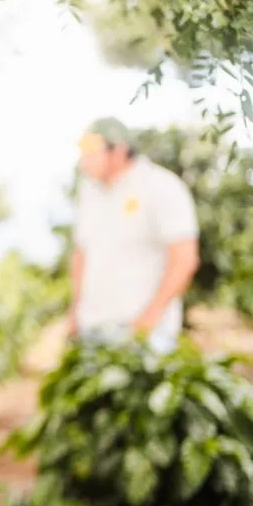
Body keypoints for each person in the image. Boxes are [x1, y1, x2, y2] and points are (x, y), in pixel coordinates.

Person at [68, 117, 200, 353]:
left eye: (91, 151)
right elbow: (81, 254)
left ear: (118, 150)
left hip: (147, 335)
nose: (83, 161)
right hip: (94, 329)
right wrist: (75, 312)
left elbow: (184, 260)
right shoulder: (88, 191)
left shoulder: (161, 186)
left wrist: (147, 322)